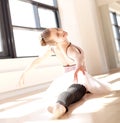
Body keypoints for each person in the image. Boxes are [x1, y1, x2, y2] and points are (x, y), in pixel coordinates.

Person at [19, 28, 112, 119]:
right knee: (70, 91)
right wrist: (24, 72)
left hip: (78, 78)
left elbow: (78, 57)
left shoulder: (66, 48)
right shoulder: (56, 48)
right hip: (71, 78)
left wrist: (79, 66)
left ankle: (59, 106)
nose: (60, 31)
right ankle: (59, 106)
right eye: (58, 34)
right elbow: (38, 60)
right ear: (55, 43)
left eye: (57, 29)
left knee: (74, 90)